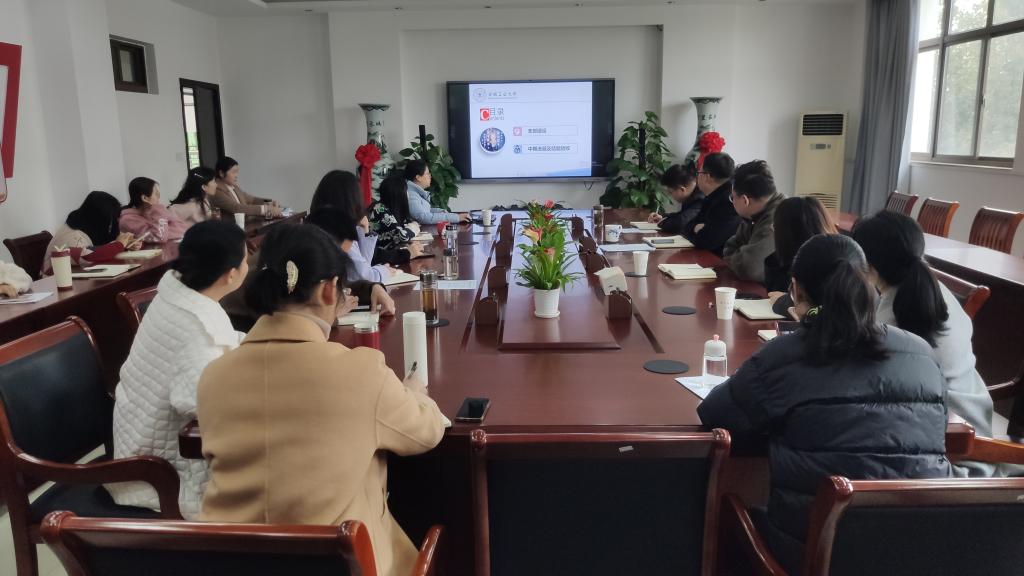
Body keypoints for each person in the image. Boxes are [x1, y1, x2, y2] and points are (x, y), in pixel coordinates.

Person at [198, 223, 446, 576]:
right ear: (330, 290)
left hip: (227, 564)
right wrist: (413, 392)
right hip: (345, 564)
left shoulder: (213, 377)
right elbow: (427, 431)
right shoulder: (360, 372)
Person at [698, 234, 950, 574]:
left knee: (726, 508)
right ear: (868, 281)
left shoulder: (783, 356)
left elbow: (715, 416)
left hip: (818, 556)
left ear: (795, 289)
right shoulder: (921, 352)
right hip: (922, 548)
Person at [109, 221, 248, 520]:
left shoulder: (179, 297)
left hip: (139, 438)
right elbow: (201, 404)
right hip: (158, 471)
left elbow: (223, 342)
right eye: (246, 260)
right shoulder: (194, 325)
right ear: (231, 274)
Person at [852, 211, 996, 468]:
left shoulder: (892, 322)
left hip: (952, 451)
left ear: (869, 268)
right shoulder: (930, 291)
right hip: (967, 425)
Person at [220, 208, 396, 332]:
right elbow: (283, 324)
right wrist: (329, 315)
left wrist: (372, 288)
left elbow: (332, 284)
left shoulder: (297, 256)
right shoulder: (270, 269)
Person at [310, 170, 395, 281]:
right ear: (351, 201)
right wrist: (384, 271)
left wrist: (365, 231)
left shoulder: (322, 224)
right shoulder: (338, 232)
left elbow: (363, 266)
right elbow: (363, 277)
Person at [764, 196, 838, 315]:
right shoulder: (793, 258)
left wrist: (785, 301)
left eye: (775, 226)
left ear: (788, 233)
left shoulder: (827, 266)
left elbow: (819, 310)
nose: (772, 230)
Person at [42, 191, 142, 274]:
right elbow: (88, 257)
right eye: (109, 222)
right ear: (99, 219)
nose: (110, 226)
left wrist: (125, 244)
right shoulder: (73, 236)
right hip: (52, 284)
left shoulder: (84, 227)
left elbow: (97, 248)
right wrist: (118, 245)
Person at [722, 160, 786, 283]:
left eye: (732, 197)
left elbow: (749, 268)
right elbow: (731, 246)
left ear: (745, 200)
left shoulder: (778, 217)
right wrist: (739, 257)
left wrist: (736, 258)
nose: (732, 201)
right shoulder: (755, 214)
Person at [682, 153, 740, 255]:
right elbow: (687, 228)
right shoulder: (713, 196)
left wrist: (697, 229)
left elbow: (705, 241)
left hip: (721, 260)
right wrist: (696, 227)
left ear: (707, 177)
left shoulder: (728, 201)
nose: (697, 177)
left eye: (699, 172)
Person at [369, 174, 425, 265]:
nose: (408, 195)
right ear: (399, 194)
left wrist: (412, 226)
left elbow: (406, 225)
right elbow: (402, 236)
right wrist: (414, 227)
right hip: (377, 261)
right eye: (406, 191)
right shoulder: (380, 210)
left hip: (387, 257)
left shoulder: (391, 208)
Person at [119, 177, 189, 242]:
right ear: (145, 198)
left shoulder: (151, 212)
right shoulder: (128, 220)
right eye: (156, 194)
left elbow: (181, 229)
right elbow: (159, 237)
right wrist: (158, 210)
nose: (159, 197)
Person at [211, 156, 283, 218]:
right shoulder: (216, 190)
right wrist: (266, 209)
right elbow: (236, 208)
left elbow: (252, 200)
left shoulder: (234, 187)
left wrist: (270, 202)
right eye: (233, 172)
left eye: (237, 172)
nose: (236, 175)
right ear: (221, 173)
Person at [404, 159, 469, 225]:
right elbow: (423, 217)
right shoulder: (411, 194)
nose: (430, 176)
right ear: (418, 177)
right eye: (427, 173)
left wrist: (442, 212)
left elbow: (426, 211)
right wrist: (457, 218)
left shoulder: (416, 193)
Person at [647, 163, 703, 234]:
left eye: (670, 192)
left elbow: (679, 224)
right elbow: (682, 215)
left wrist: (662, 222)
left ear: (682, 189)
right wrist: (662, 217)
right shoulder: (692, 194)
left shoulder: (700, 199)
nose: (670, 195)